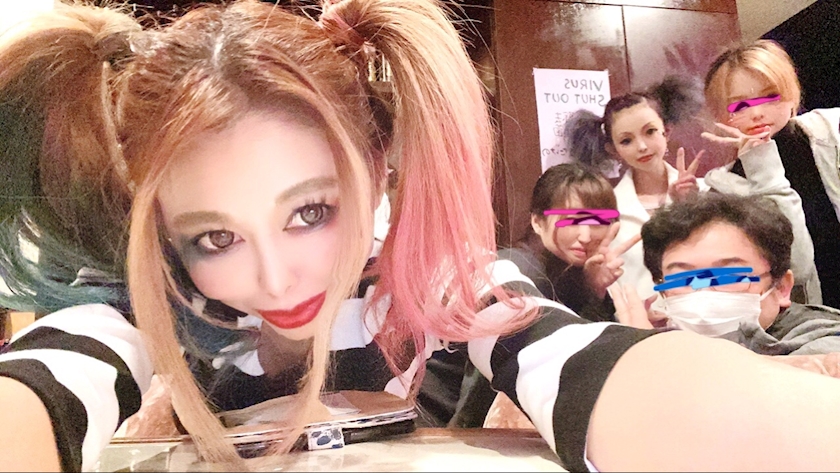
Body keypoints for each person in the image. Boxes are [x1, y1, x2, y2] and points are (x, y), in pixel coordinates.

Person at [3, 2, 840, 473]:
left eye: (310, 211)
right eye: (213, 236)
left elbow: (572, 356)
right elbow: (46, 381)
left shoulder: (432, 281)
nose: (276, 276)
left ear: (378, 168)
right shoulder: (155, 304)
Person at [703, 39, 830, 307]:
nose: (757, 113)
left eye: (770, 96)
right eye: (739, 106)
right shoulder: (725, 189)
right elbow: (796, 267)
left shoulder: (829, 136)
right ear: (721, 115)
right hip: (811, 321)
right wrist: (762, 164)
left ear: (791, 94)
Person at [638, 192, 840, 355]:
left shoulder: (823, 343)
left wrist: (654, 363)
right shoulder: (668, 342)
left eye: (728, 276)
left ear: (781, 287)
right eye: (681, 279)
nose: (703, 291)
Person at [565, 77, 708, 301]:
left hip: (703, 314)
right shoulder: (607, 211)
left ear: (667, 131)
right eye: (626, 141)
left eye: (650, 131)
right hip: (636, 319)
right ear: (613, 150)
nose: (641, 146)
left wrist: (690, 206)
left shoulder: (705, 192)